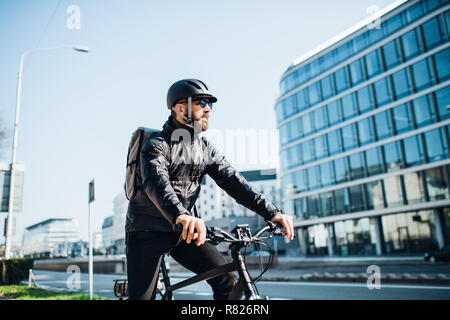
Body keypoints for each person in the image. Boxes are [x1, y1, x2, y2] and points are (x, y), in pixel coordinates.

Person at [125, 78, 294, 300]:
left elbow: (234, 181)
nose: (207, 109)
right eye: (200, 103)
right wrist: (182, 215)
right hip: (147, 229)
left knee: (227, 280)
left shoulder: (205, 149)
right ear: (179, 107)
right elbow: (156, 183)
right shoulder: (156, 145)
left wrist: (272, 212)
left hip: (182, 232)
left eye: (210, 104)